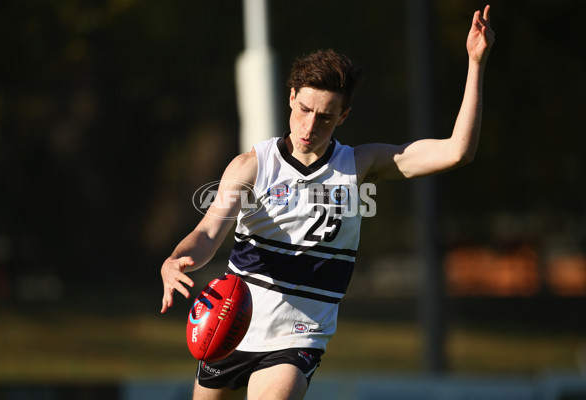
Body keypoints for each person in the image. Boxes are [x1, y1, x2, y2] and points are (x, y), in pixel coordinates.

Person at [160, 5, 495, 400]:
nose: (309, 126)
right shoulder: (252, 166)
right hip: (232, 325)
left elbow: (458, 151)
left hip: (297, 336)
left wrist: (476, 63)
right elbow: (207, 233)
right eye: (304, 110)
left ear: (343, 116)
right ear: (290, 98)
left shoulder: (358, 165)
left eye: (324, 116)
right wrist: (175, 259)